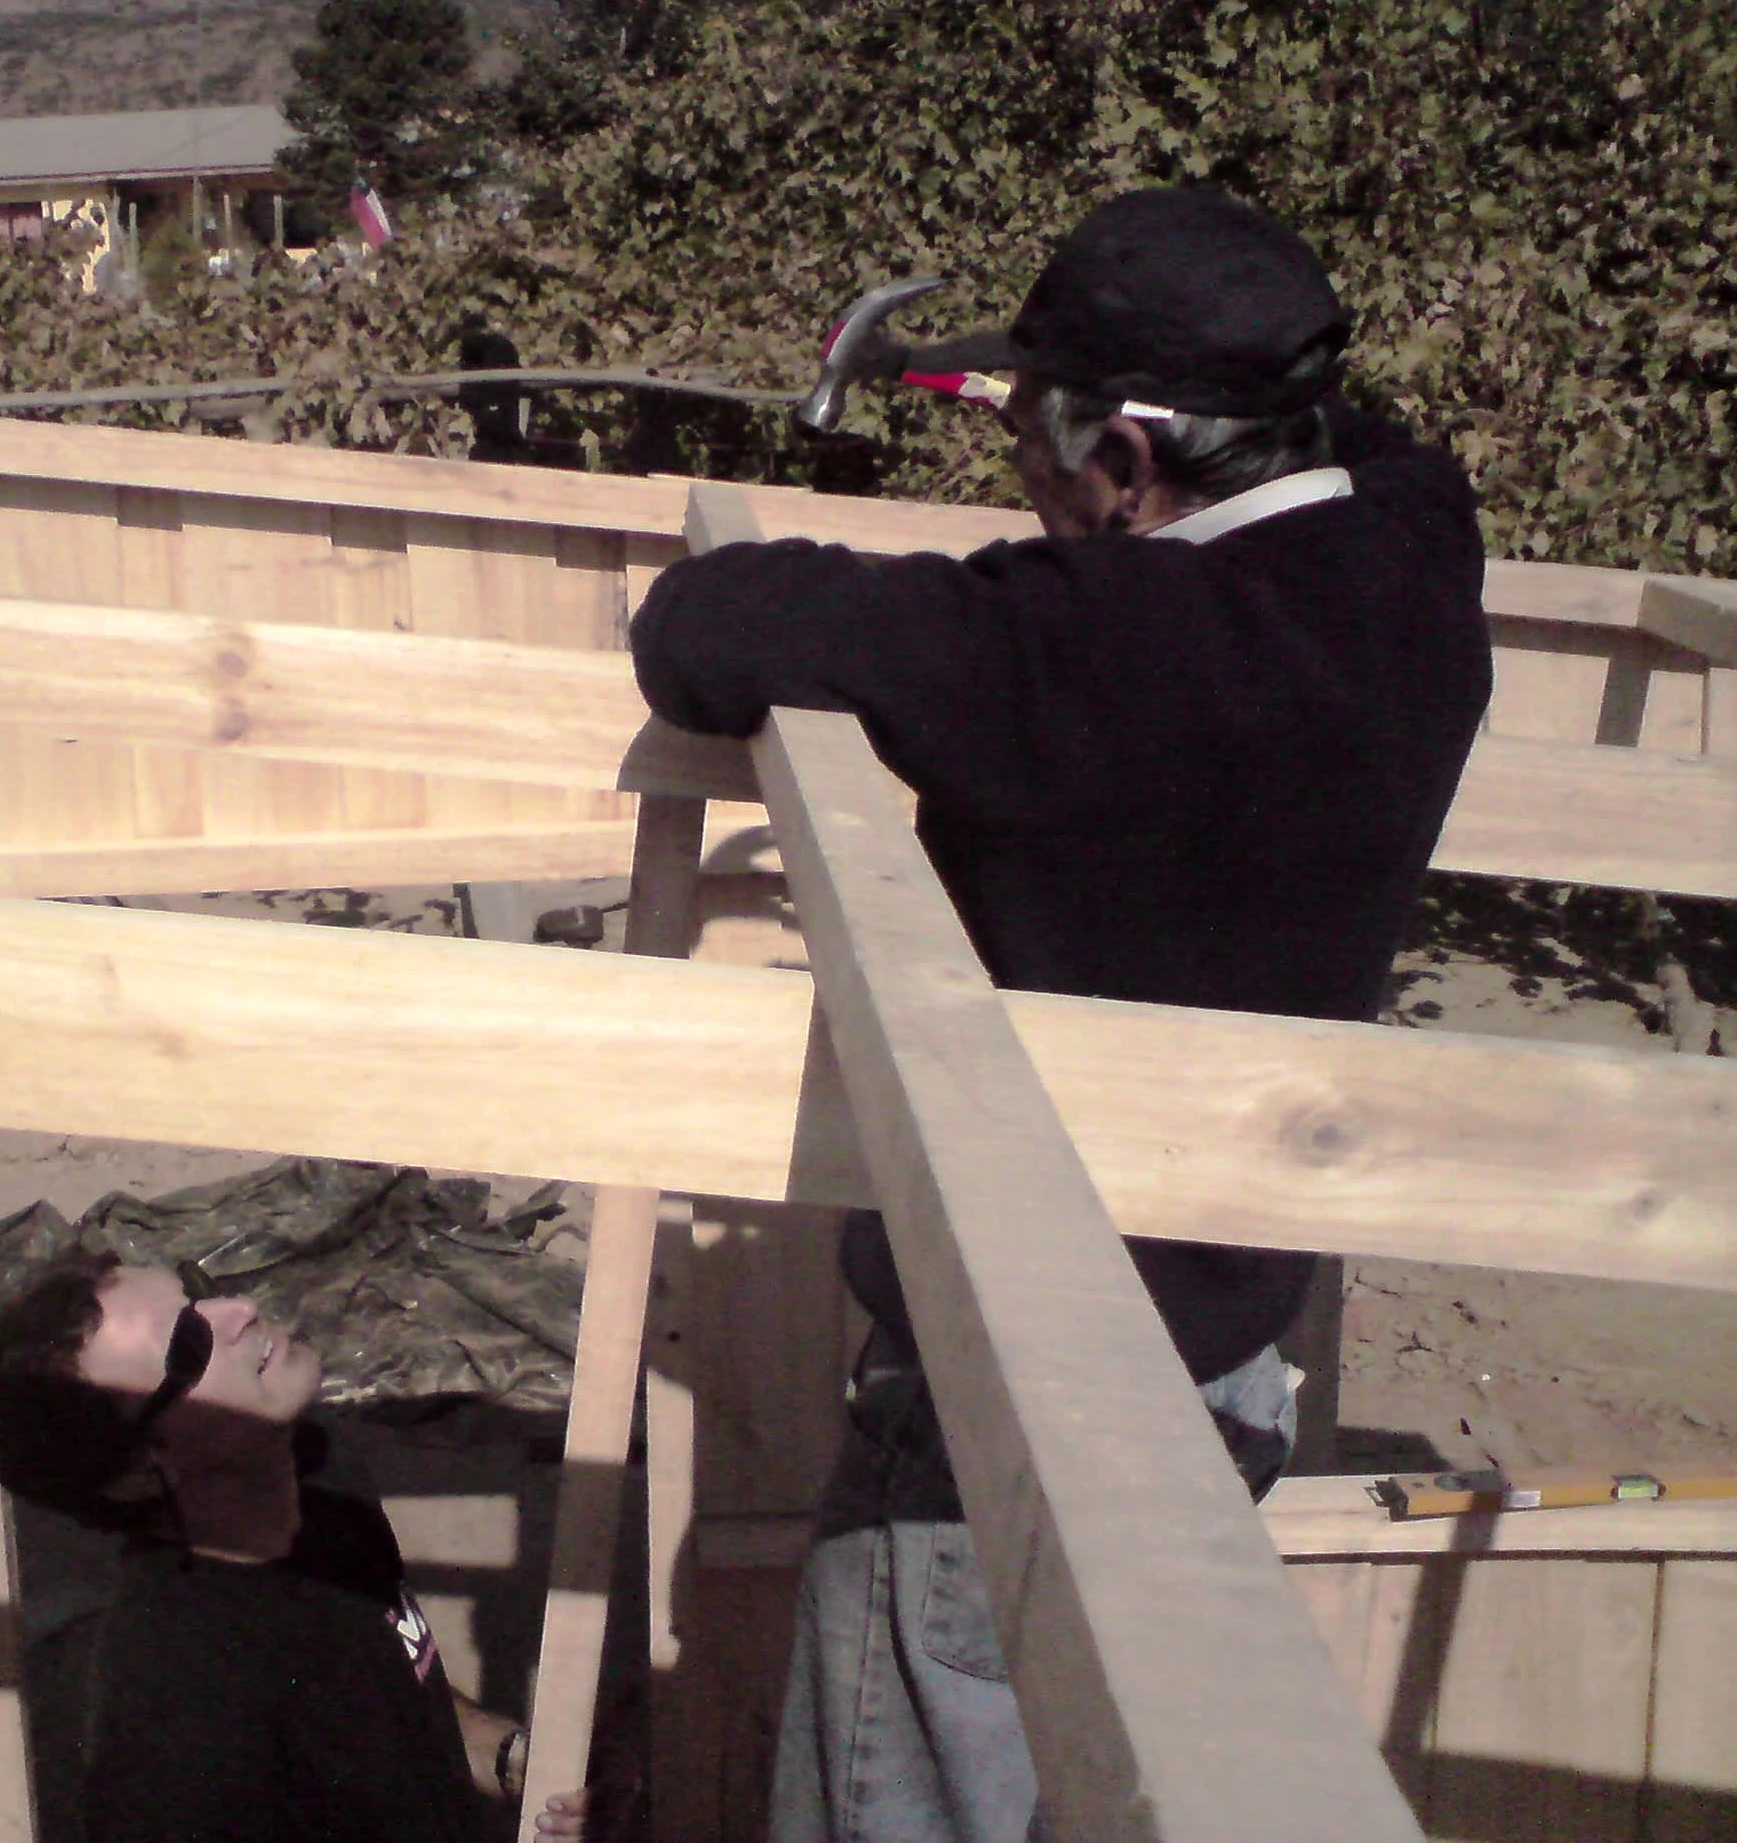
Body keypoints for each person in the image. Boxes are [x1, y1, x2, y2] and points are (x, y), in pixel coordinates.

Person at [628, 187, 1493, 1843]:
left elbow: (703, 629)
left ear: (1123, 466)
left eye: (1034, 450)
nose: (1016, 482)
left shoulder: (1079, 650)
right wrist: (1043, 395)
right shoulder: (1408, 563)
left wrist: (1045, 482)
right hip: (1229, 1355)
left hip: (1000, 1409)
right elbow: (1363, 441)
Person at [0, 1247, 593, 1843]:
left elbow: (393, 1685)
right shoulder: (177, 1703)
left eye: (197, 1292)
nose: (240, 1310)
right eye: (187, 1344)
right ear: (138, 1469)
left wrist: (508, 1759)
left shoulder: (312, 1467)